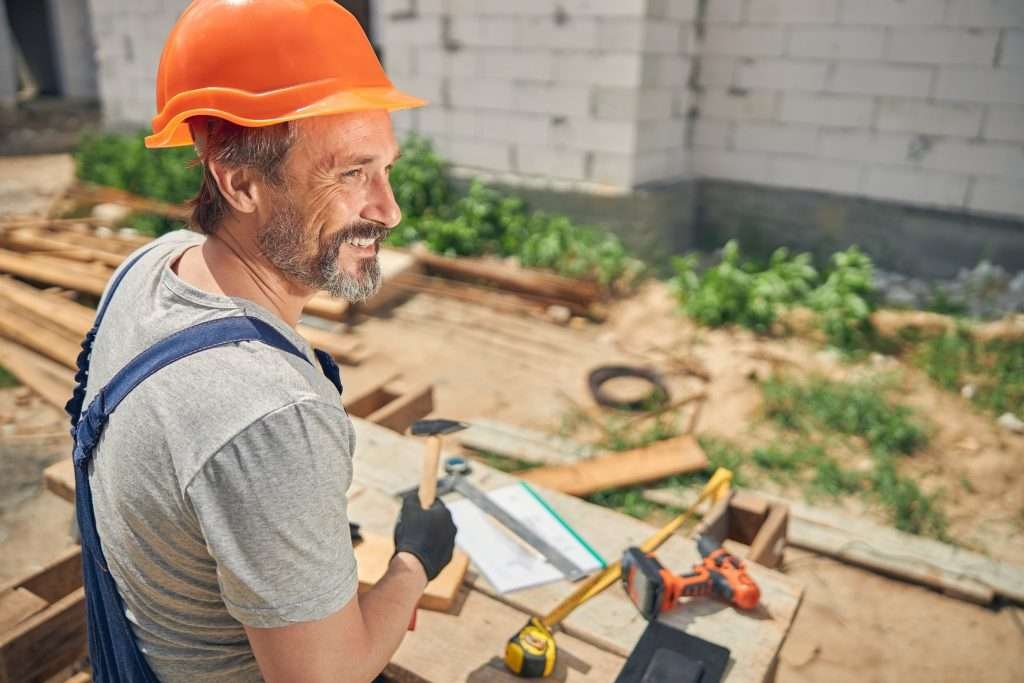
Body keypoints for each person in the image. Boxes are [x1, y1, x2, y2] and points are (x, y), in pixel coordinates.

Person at [68, 1, 457, 680]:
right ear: (241, 181)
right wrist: (413, 563)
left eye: (386, 168)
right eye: (350, 174)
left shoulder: (150, 267)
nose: (388, 209)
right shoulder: (269, 415)